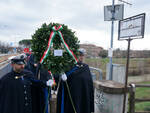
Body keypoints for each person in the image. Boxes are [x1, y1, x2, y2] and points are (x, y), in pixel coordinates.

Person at [56, 48, 94, 113]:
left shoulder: (86, 67)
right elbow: (63, 82)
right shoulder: (70, 67)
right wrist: (62, 79)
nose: (81, 57)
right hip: (73, 97)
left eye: (82, 55)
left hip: (83, 96)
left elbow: (89, 84)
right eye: (79, 55)